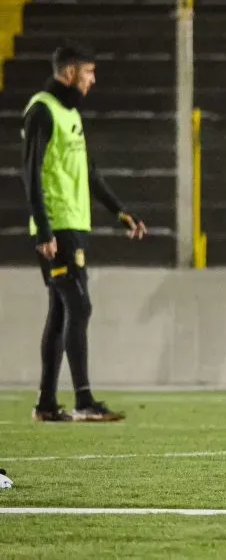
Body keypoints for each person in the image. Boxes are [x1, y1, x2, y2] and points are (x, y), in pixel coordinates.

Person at [21, 44, 147, 423]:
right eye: (89, 73)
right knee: (79, 306)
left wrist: (121, 212)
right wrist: (43, 230)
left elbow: (90, 174)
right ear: (71, 73)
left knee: (62, 312)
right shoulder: (41, 110)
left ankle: (46, 404)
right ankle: (83, 400)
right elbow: (30, 173)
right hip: (55, 229)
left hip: (74, 228)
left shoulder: (70, 113)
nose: (93, 81)